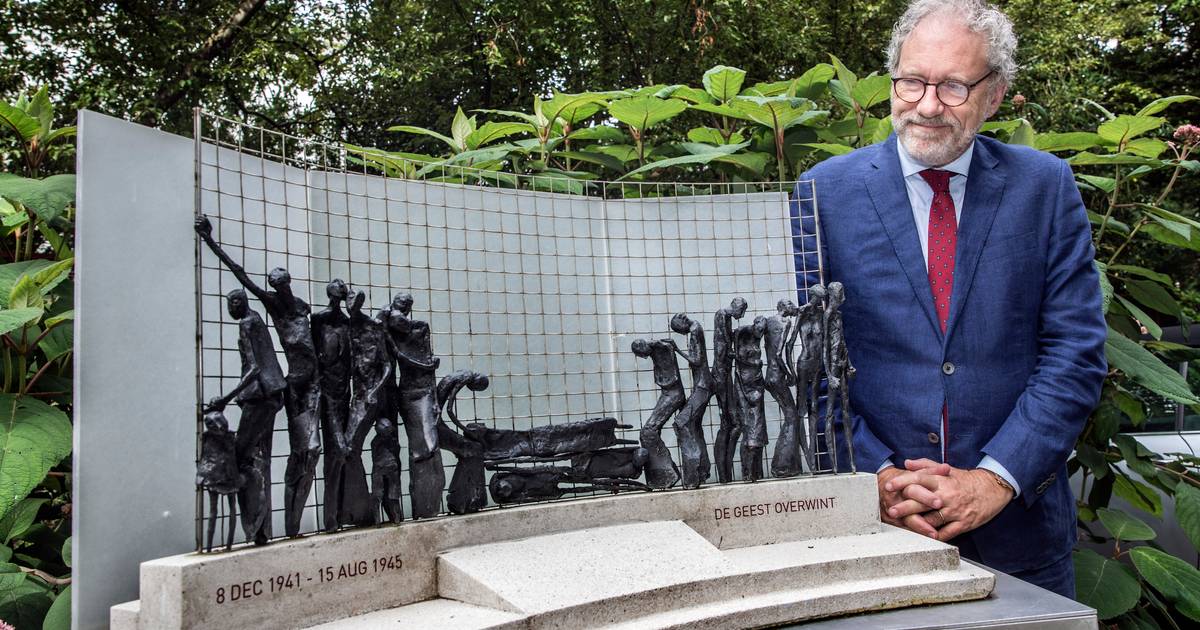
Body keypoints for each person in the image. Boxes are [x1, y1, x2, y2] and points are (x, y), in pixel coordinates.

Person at [795, 0, 1106, 597]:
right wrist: (875, 477)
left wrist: (994, 480)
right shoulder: (822, 193)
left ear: (995, 95)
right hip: (868, 535)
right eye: (912, 81)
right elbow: (806, 363)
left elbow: (1075, 352)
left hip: (1021, 540)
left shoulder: (1044, 187)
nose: (928, 105)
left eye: (955, 86)